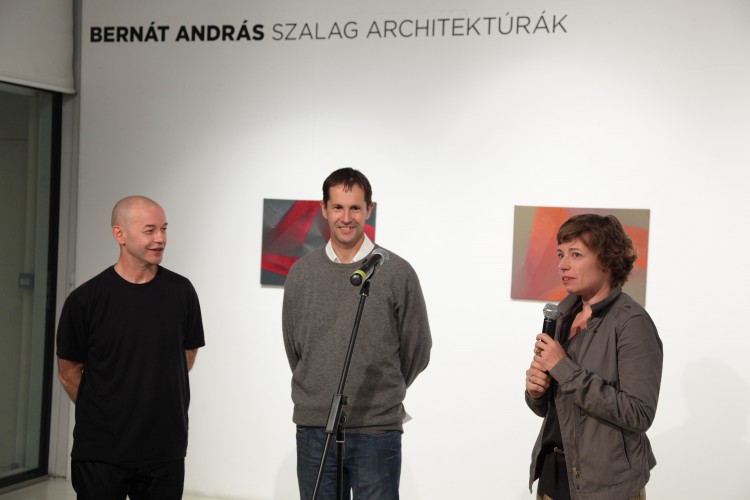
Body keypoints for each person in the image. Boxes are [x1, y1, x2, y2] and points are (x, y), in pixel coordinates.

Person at [282, 168, 432, 500]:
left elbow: (418, 348)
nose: (346, 217)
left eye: (355, 208)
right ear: (324, 209)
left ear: (369, 209)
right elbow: (295, 348)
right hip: (315, 428)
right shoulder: (301, 274)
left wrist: (383, 392)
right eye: (338, 207)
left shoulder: (397, 272)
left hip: (376, 431)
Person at [56, 196, 205, 500]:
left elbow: (185, 358)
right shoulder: (85, 300)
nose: (160, 238)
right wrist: (107, 411)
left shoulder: (182, 292)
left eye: (164, 229)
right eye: (150, 230)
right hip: (101, 453)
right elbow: (68, 372)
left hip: (165, 450)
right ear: (119, 234)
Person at [525, 214, 663, 500]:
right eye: (561, 254)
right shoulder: (563, 316)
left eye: (576, 254)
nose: (563, 264)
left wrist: (564, 368)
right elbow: (555, 407)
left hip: (606, 487)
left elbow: (639, 413)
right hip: (552, 476)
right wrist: (536, 392)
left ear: (607, 260)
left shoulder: (631, 323)